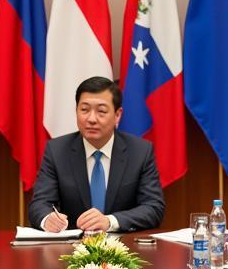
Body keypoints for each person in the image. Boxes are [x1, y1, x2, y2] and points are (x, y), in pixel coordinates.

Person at [28, 76, 165, 233]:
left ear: (117, 115)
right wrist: (48, 219)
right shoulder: (57, 151)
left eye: (101, 111)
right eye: (84, 110)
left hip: (125, 249)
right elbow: (39, 204)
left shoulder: (140, 151)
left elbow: (154, 208)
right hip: (70, 251)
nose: (91, 119)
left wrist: (109, 221)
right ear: (76, 111)